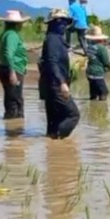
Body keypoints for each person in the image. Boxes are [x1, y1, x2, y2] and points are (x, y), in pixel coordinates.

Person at [39, 9, 80, 139]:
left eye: (65, 22)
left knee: (54, 119)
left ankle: (53, 150)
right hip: (55, 84)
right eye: (60, 21)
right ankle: (57, 140)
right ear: (53, 23)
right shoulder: (53, 40)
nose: (63, 24)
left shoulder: (56, 39)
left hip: (51, 83)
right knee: (73, 115)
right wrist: (62, 82)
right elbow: (52, 62)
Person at [0, 10, 30, 119]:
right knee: (16, 100)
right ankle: (14, 129)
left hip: (5, 68)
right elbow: (8, 53)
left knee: (11, 97)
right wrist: (12, 72)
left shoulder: (5, 34)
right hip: (13, 69)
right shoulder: (12, 35)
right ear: (17, 24)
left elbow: (3, 53)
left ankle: (11, 124)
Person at [84, 25, 110, 101]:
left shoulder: (89, 46)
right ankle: (101, 109)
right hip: (97, 73)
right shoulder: (101, 48)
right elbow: (106, 61)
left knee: (93, 93)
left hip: (89, 72)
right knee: (103, 93)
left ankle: (92, 107)